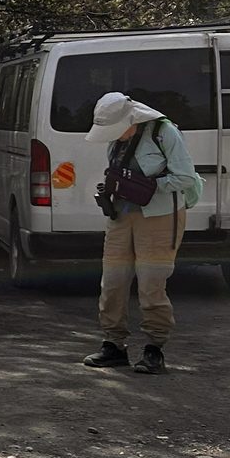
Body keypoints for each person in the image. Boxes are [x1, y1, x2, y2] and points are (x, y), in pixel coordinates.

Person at [82, 91, 202, 375]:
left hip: (159, 216)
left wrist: (145, 186)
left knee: (151, 285)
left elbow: (185, 177)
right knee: (112, 281)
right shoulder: (116, 139)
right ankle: (114, 344)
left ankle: (154, 348)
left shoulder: (165, 132)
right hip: (121, 216)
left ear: (131, 119)